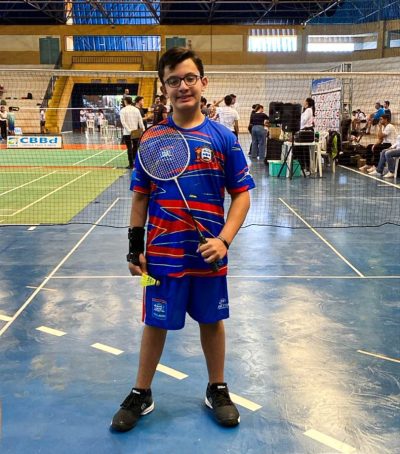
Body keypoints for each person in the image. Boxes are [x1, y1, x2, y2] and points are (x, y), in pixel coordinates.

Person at [111, 47, 255, 433]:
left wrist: (224, 240)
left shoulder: (223, 138)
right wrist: (134, 248)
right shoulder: (152, 138)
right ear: (164, 88)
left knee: (212, 320)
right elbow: (140, 197)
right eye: (173, 80)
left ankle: (217, 388)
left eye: (190, 78)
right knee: (154, 322)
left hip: (209, 254)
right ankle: (141, 392)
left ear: (203, 83)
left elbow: (242, 194)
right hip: (161, 254)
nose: (183, 86)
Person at [120, 96, 144, 169]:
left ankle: (131, 164)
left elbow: (123, 122)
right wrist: (143, 130)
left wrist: (129, 130)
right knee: (135, 147)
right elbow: (140, 121)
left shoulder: (123, 110)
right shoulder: (136, 110)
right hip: (135, 131)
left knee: (129, 148)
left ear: (125, 102)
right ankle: (135, 162)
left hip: (127, 132)